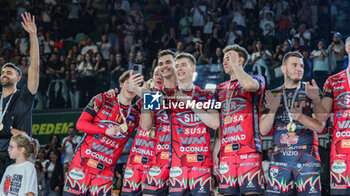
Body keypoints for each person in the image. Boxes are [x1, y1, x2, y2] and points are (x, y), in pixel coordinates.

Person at [63, 70, 140, 196]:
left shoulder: (136, 113)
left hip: (105, 172)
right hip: (82, 164)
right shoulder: (103, 99)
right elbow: (80, 124)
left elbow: (153, 111)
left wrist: (146, 91)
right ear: (121, 84)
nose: (132, 87)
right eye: (128, 83)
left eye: (136, 84)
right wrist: (105, 130)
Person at [260, 51, 324, 195]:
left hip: (307, 156)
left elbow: (320, 126)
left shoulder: (311, 92)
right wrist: (273, 109)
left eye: (301, 65)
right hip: (280, 158)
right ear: (283, 68)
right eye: (294, 65)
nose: (299, 69)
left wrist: (302, 116)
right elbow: (263, 130)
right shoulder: (274, 94)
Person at [213, 44, 265, 196]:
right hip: (226, 153)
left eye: (228, 57)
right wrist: (215, 152)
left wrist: (236, 66)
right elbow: (218, 124)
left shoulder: (256, 78)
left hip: (248, 150)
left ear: (240, 60)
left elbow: (249, 85)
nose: (224, 61)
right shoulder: (220, 88)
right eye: (224, 58)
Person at [167, 53, 219, 196]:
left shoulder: (207, 94)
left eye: (183, 64)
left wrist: (190, 103)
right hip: (177, 165)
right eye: (176, 66)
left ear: (193, 68)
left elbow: (215, 124)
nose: (179, 68)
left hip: (201, 164)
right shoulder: (168, 95)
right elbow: (147, 121)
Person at [129, 49, 177, 196]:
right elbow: (145, 125)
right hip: (158, 159)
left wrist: (143, 93)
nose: (163, 67)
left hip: (182, 159)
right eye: (161, 64)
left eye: (168, 62)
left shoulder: (189, 90)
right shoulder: (151, 93)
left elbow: (168, 101)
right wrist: (143, 94)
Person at [0, 12, 39, 180]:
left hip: (16, 157)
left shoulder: (24, 96)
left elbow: (34, 67)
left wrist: (32, 35)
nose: (4, 74)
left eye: (8, 72)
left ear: (17, 78)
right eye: (2, 72)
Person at [311, 36, 350, 195]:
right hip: (340, 151)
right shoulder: (332, 81)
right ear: (348, 49)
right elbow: (321, 118)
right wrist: (315, 99)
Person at [121, 66, 163, 195]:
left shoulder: (170, 97)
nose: (159, 76)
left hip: (157, 160)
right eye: (156, 74)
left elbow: (146, 125)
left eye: (162, 74)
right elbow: (126, 122)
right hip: (136, 158)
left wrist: (145, 93)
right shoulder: (142, 100)